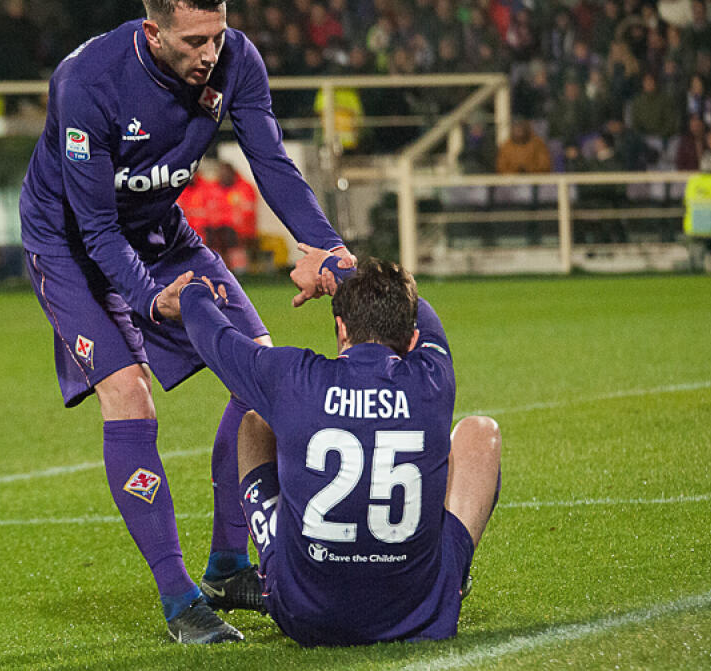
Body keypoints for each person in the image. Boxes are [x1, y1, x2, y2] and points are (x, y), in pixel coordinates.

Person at [18, 0, 354, 644]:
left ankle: (230, 564)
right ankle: (180, 601)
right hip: (71, 244)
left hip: (159, 228)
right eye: (194, 42)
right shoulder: (87, 82)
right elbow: (96, 227)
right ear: (152, 33)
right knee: (128, 391)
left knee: (260, 370)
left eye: (218, 37)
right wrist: (150, 301)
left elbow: (273, 164)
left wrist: (331, 249)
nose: (210, 54)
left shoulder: (238, 59)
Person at [165, 251, 501, 646]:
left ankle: (269, 567)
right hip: (417, 612)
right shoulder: (432, 379)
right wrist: (340, 271)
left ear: (342, 329)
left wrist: (191, 296)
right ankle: (451, 581)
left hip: (304, 614)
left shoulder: (293, 377)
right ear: (412, 339)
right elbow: (424, 316)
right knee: (481, 432)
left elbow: (217, 339)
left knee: (255, 422)